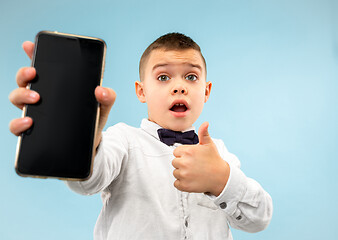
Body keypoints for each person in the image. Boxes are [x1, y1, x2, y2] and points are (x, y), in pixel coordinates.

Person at [9, 33, 273, 240]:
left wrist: (222, 180)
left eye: (191, 76)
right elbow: (88, 182)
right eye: (163, 77)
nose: (179, 86)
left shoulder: (220, 154)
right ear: (141, 91)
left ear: (206, 91)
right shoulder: (123, 140)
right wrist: (80, 136)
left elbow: (258, 219)